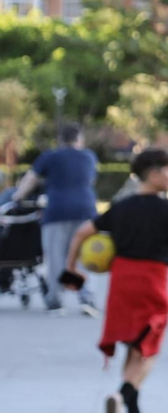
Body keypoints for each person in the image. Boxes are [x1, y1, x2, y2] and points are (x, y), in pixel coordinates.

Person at [63, 147, 168, 413]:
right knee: (150, 347)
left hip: (121, 280)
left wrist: (73, 269)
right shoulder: (167, 209)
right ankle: (121, 396)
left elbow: (83, 233)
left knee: (135, 345)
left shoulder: (121, 207)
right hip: (151, 280)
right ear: (155, 173)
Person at [14, 124, 100, 317]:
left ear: (60, 140)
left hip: (57, 211)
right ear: (79, 139)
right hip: (86, 211)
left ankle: (56, 300)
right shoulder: (89, 156)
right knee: (82, 256)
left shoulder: (50, 156)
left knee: (56, 258)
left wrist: (18, 197)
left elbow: (31, 178)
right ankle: (86, 296)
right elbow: (90, 181)